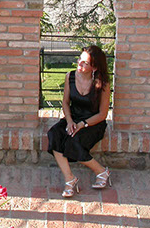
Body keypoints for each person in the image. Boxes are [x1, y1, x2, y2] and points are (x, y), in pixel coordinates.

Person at [47, 45, 111, 198]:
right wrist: (69, 121)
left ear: (94, 67)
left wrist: (83, 124)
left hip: (93, 123)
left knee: (72, 143)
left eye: (85, 63)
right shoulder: (70, 76)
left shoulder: (103, 84)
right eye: (79, 60)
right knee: (54, 134)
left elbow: (102, 114)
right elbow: (65, 103)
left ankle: (101, 171)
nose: (79, 65)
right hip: (74, 118)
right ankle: (70, 178)